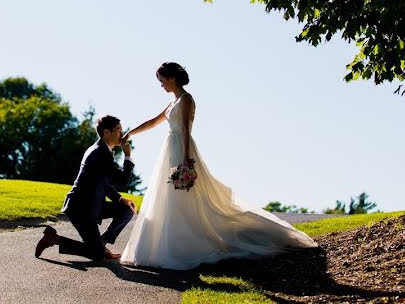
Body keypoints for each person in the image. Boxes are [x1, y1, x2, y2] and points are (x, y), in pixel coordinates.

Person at [120, 62, 318, 270]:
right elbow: (154, 121)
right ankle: (169, 243)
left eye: (161, 80)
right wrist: (131, 133)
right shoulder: (173, 102)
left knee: (184, 196)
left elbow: (186, 130)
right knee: (170, 196)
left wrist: (186, 159)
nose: (161, 85)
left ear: (171, 78)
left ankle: (186, 243)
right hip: (169, 150)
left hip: (181, 150)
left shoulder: (186, 100)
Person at [34, 115, 137, 261]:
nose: (122, 133)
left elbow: (103, 183)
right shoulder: (100, 153)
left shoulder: (102, 150)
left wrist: (120, 199)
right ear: (107, 132)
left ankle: (101, 243)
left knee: (127, 209)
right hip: (80, 208)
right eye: (119, 130)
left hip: (93, 205)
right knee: (97, 255)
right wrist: (128, 156)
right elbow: (122, 180)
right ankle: (53, 239)